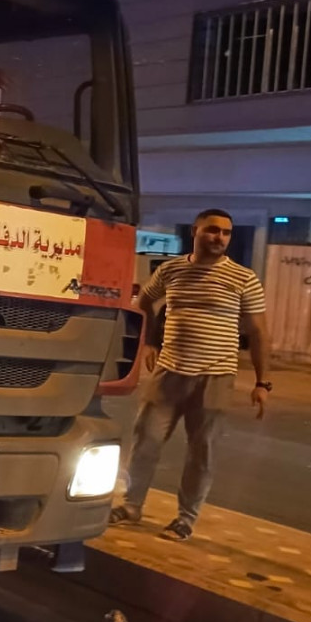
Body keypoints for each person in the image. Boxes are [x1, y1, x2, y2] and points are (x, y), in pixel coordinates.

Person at [110, 208, 272, 541]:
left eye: (226, 233)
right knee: (146, 442)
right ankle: (131, 506)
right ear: (195, 231)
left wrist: (262, 382)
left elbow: (258, 333)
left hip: (216, 377)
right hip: (169, 373)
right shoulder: (171, 270)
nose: (219, 238)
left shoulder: (244, 278)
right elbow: (144, 303)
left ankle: (185, 519)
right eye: (212, 230)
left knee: (202, 452)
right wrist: (148, 342)